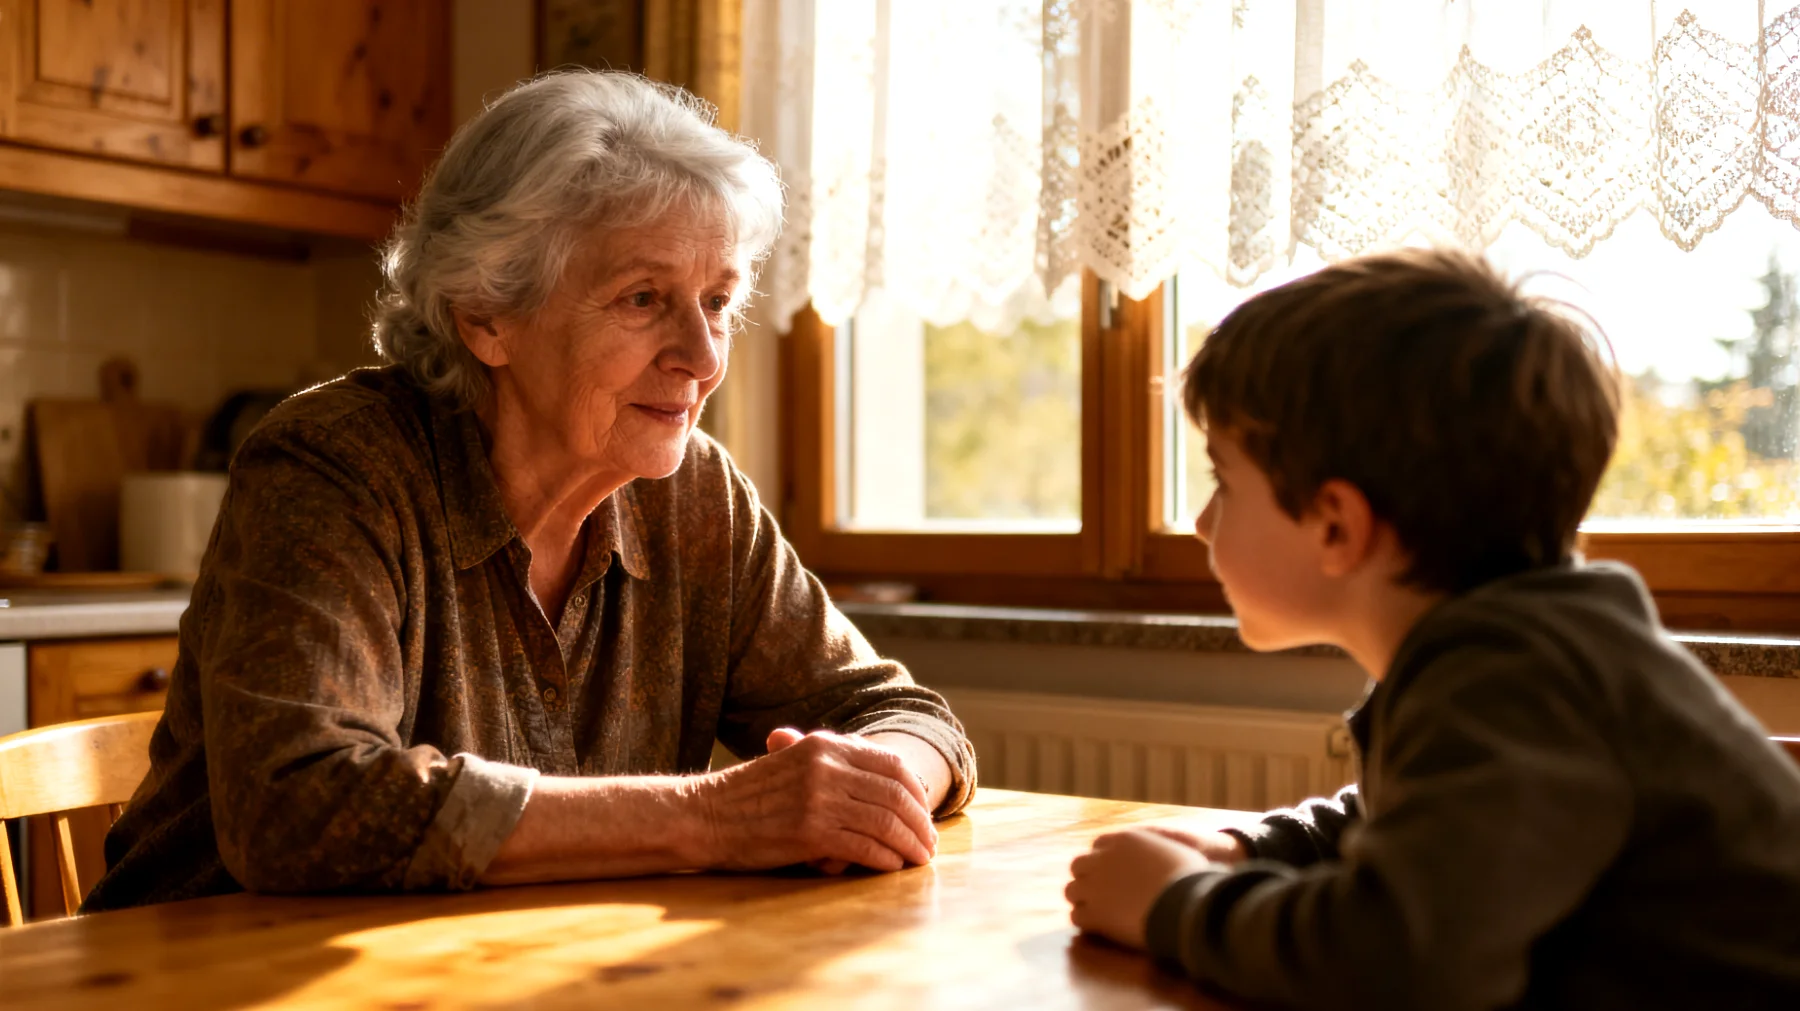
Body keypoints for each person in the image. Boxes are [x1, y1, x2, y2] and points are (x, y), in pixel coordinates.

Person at [86, 71, 975, 911]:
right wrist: (715, 816)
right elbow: (299, 806)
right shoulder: (334, 467)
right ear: (486, 314)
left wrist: (864, 789)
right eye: (642, 298)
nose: (703, 359)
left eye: (716, 301)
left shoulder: (695, 495)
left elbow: (904, 715)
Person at [1064, 249, 1800, 1008]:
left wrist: (1175, 906)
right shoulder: (1510, 653)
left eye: (1223, 479)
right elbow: (1424, 831)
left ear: (1336, 524)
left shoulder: (1513, 682)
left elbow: (1399, 964)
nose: (1199, 521)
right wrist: (1250, 848)